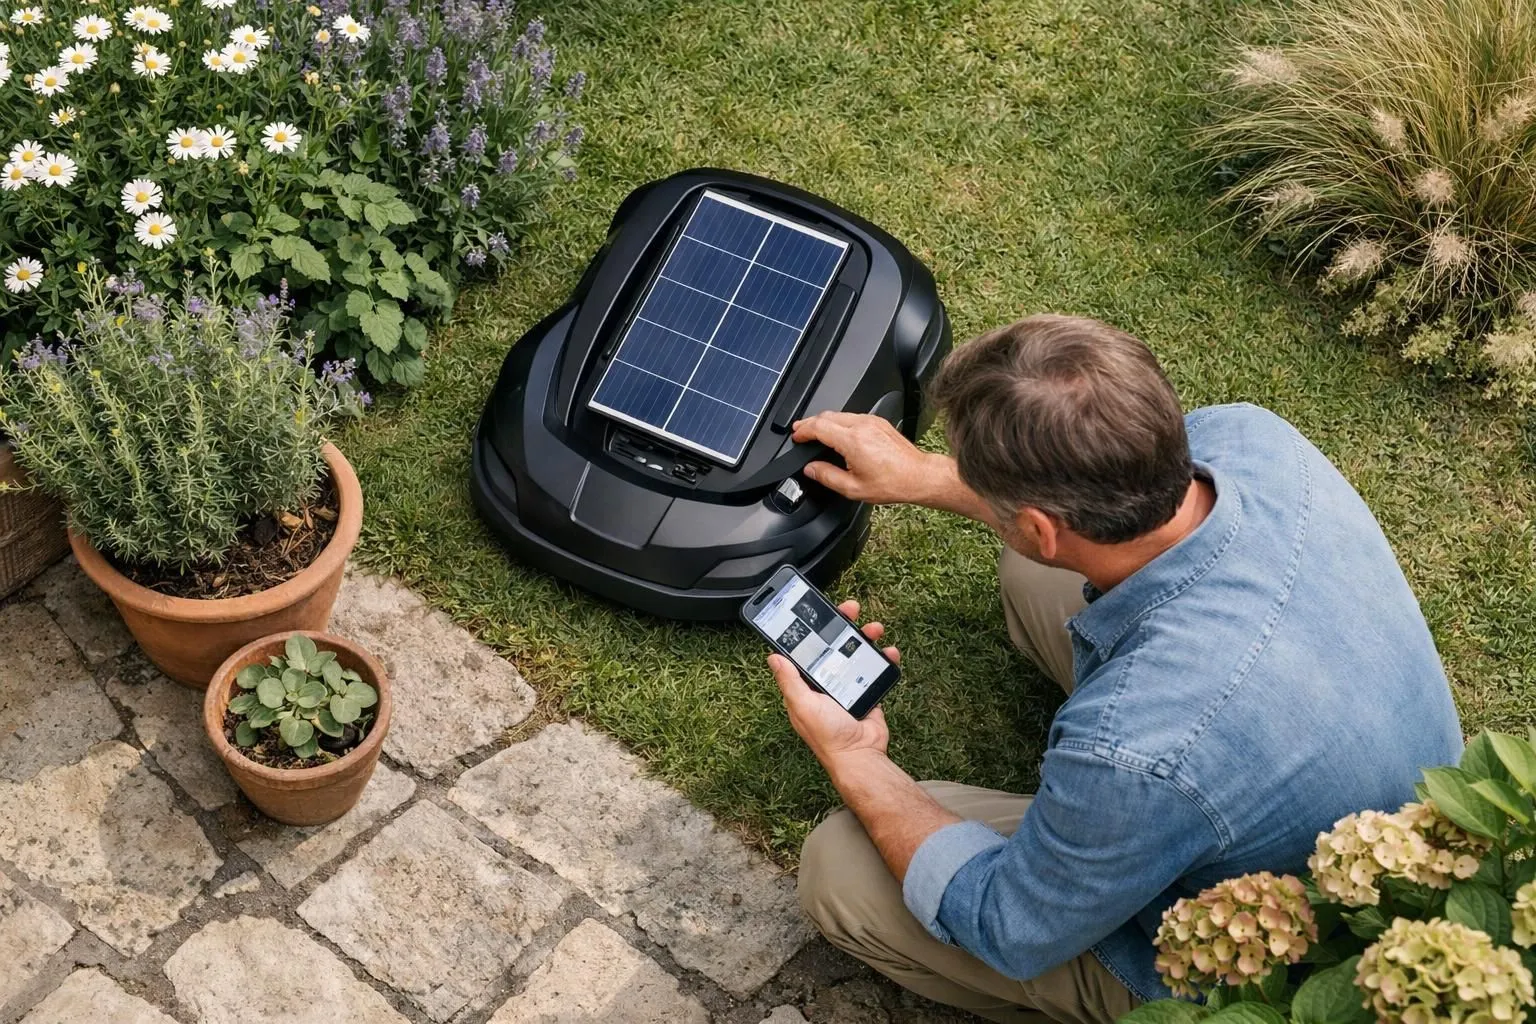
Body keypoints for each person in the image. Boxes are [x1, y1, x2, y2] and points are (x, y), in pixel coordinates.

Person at [770, 314, 1463, 1024]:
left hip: (1289, 951)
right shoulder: (1252, 437)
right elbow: (1072, 529)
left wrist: (856, 759)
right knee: (1033, 576)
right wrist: (927, 477)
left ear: (1041, 525)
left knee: (842, 868)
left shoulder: (1133, 745)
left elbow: (1009, 925)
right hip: (1376, 797)